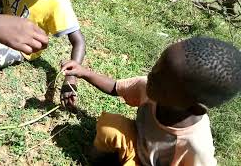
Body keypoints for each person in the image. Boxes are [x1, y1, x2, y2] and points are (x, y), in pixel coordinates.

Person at [61, 37, 241, 165]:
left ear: (194, 108)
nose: (152, 77)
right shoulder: (151, 87)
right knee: (110, 126)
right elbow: (116, 87)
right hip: (136, 145)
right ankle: (90, 159)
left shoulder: (196, 145)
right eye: (156, 68)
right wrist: (84, 73)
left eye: (164, 82)